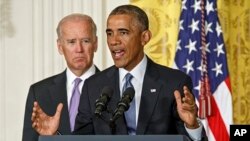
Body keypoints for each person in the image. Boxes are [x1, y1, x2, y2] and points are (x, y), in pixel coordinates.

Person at [32, 4, 208, 141]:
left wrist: (192, 125)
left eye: (123, 33)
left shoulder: (174, 83)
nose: (114, 41)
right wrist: (54, 137)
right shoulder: (94, 86)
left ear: (144, 37)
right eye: (109, 33)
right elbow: (81, 140)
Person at [22, 13, 100, 141]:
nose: (79, 49)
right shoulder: (39, 93)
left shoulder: (114, 88)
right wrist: (53, 137)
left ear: (95, 44)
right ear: (60, 47)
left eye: (85, 41)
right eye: (71, 42)